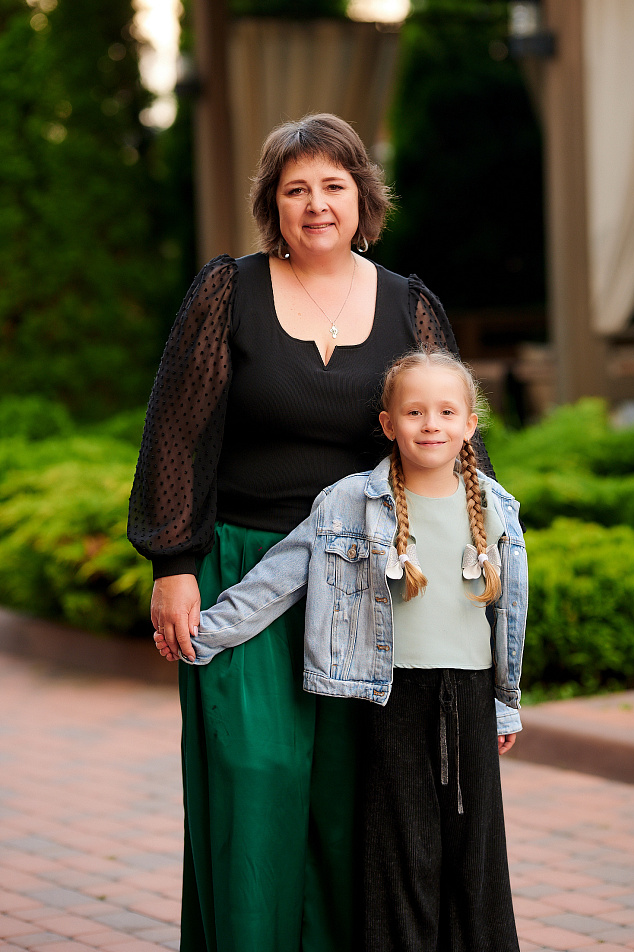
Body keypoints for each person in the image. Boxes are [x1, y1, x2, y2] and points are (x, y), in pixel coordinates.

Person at [128, 114, 498, 952]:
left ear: (363, 198)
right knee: (253, 773)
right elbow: (178, 436)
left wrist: (466, 579)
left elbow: (450, 442)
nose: (316, 204)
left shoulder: (410, 305)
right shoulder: (228, 292)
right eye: (296, 189)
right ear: (274, 206)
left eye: (333, 185)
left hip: (368, 582)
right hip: (242, 570)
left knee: (345, 795)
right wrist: (174, 564)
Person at [156, 347, 527, 952]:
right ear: (388, 424)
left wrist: (504, 706)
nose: (430, 424)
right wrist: (204, 634)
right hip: (390, 698)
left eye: (445, 412)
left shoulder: (496, 508)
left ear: (470, 424)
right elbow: (278, 579)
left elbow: (507, 617)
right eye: (414, 412)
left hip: (469, 699)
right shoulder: (348, 503)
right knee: (400, 851)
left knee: (476, 853)